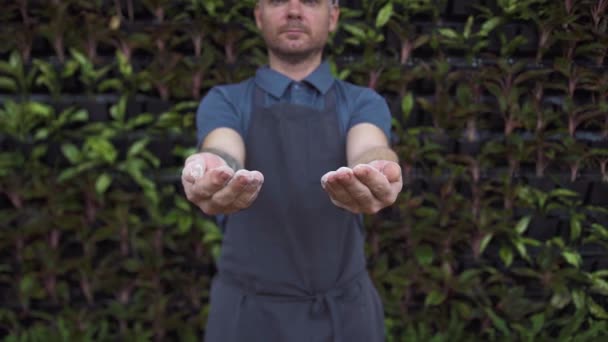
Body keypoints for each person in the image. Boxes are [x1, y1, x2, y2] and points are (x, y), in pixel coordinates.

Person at [181, 0, 402, 341]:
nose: (295, 10)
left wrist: (375, 167)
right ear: (258, 15)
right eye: (278, 0)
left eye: (311, 0)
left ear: (333, 17)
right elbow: (223, 146)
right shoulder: (225, 101)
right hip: (246, 317)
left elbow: (369, 145)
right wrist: (215, 167)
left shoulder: (362, 102)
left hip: (344, 318)